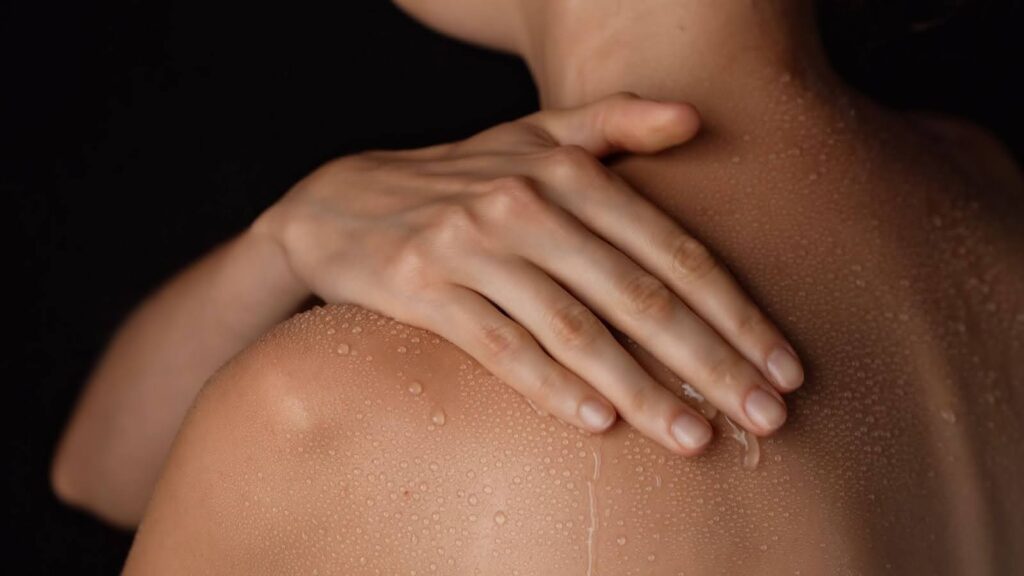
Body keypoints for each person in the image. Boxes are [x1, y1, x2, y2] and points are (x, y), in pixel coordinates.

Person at [59, 0, 1024, 573]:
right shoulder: (986, 191)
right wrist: (283, 244)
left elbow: (98, 485)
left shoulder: (330, 411)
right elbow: (96, 471)